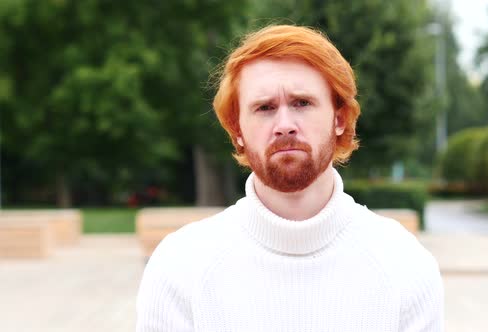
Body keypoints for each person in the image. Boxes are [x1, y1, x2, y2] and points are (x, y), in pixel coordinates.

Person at [136, 24, 444, 332]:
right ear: (238, 131)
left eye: (302, 103)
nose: (285, 125)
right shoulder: (179, 269)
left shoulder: (405, 266)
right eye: (265, 107)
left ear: (339, 119)